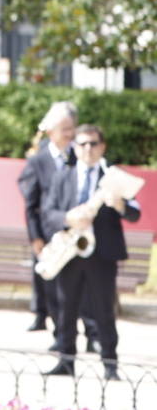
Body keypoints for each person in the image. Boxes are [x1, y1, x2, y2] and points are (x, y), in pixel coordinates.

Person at [41, 123, 141, 380]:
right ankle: (65, 361)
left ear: (102, 147)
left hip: (101, 255)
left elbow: (135, 212)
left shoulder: (113, 176)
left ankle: (109, 364)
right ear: (75, 147)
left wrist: (119, 204)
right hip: (69, 253)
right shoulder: (63, 176)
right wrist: (68, 217)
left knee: (104, 311)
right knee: (66, 309)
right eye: (82, 144)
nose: (88, 149)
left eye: (93, 144)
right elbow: (47, 214)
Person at [18, 100, 77, 334]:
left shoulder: (79, 156)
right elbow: (30, 204)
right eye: (64, 129)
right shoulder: (38, 160)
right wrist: (35, 237)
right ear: (51, 131)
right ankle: (54, 327)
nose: (69, 135)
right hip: (46, 230)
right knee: (48, 283)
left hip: (73, 232)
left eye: (72, 128)